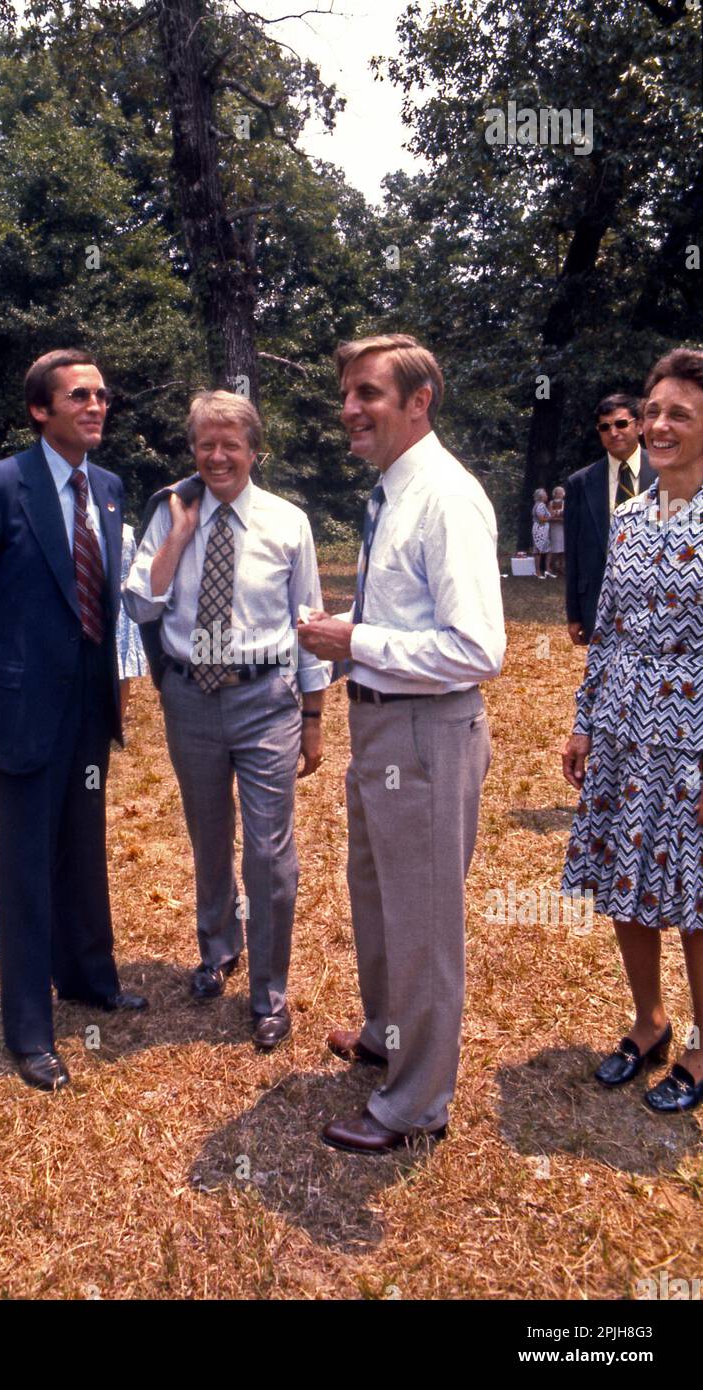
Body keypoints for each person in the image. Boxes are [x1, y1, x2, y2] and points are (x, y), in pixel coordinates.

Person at [298, 334, 506, 1152]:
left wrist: (358, 640)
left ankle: (416, 1103)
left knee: (422, 921)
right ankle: (389, 1036)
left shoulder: (445, 498)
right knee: (380, 895)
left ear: (419, 403)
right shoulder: (393, 493)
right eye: (347, 392)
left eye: (369, 393)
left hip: (424, 730)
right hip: (383, 725)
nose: (351, 409)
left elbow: (478, 649)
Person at [0, 349, 147, 1093]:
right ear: (40, 410)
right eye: (78, 395)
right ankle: (29, 1028)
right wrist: (5, 667)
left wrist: (113, 680)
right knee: (24, 864)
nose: (95, 406)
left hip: (89, 703)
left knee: (83, 845)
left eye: (102, 395)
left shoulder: (111, 489)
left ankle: (89, 980)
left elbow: (108, 598)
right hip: (22, 707)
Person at [123, 390, 329, 1051]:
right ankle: (218, 949)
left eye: (230, 444)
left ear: (253, 451)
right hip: (190, 700)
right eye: (205, 444)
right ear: (193, 450)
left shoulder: (287, 522)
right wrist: (178, 538)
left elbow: (311, 622)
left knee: (269, 852)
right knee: (209, 837)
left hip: (265, 699)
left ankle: (269, 990)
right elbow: (140, 606)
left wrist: (315, 713)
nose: (217, 456)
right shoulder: (169, 513)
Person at [561, 347, 703, 1113]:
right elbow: (610, 632)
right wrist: (585, 725)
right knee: (628, 885)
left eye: (679, 413)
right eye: (653, 412)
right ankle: (650, 1022)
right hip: (621, 734)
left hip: (692, 747)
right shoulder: (629, 519)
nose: (657, 425)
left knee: (695, 898)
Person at [564, 394, 653, 644]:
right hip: (598, 602)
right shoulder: (580, 483)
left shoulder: (665, 474)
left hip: (653, 601)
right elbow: (572, 553)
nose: (613, 432)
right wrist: (574, 613)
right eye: (605, 427)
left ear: (639, 426)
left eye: (621, 424)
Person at [117, 523, 148, 722]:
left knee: (121, 672)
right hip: (104, 601)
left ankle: (118, 719)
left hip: (120, 606)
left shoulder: (127, 532)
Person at [532, 488, 553, 578]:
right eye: (545, 495)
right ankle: (538, 571)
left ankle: (547, 569)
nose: (547, 496)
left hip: (544, 529)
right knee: (538, 550)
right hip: (540, 529)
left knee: (547, 549)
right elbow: (541, 519)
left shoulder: (541, 505)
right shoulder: (540, 505)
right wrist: (551, 517)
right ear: (541, 497)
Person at [548, 486, 566, 577]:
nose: (559, 494)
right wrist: (558, 518)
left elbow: (566, 516)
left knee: (563, 548)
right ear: (554, 494)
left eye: (561, 493)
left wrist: (558, 518)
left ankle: (561, 566)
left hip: (563, 528)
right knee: (555, 547)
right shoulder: (551, 503)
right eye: (558, 493)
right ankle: (552, 565)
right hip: (554, 528)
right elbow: (550, 516)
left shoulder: (565, 503)